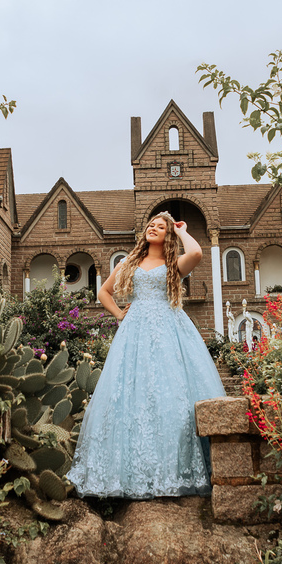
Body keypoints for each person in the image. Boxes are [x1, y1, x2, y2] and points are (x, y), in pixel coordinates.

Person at [65, 212, 226, 498]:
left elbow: (198, 253)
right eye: (151, 225)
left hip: (170, 331)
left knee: (171, 392)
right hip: (135, 332)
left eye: (160, 226)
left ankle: (172, 471)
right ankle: (130, 473)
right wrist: (118, 314)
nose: (153, 228)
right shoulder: (130, 262)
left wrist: (181, 230)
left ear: (168, 235)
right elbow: (103, 292)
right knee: (132, 394)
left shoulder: (174, 264)